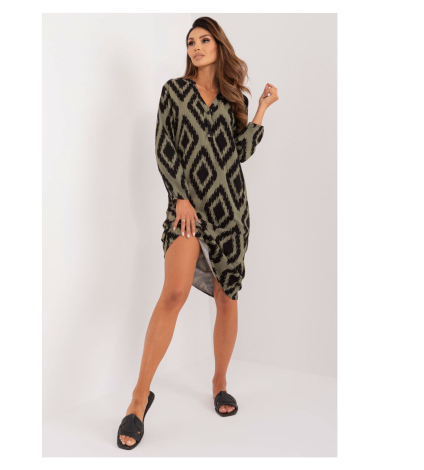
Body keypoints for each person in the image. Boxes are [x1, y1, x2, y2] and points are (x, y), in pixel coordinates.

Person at [117, 16, 279, 449]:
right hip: (187, 209)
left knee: (227, 296)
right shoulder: (174, 91)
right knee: (174, 293)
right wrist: (180, 197)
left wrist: (261, 110)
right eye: (191, 42)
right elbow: (164, 147)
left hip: (230, 211)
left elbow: (239, 152)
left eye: (204, 40)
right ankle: (138, 398)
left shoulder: (232, 98)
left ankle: (220, 382)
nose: (197, 47)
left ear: (218, 45)